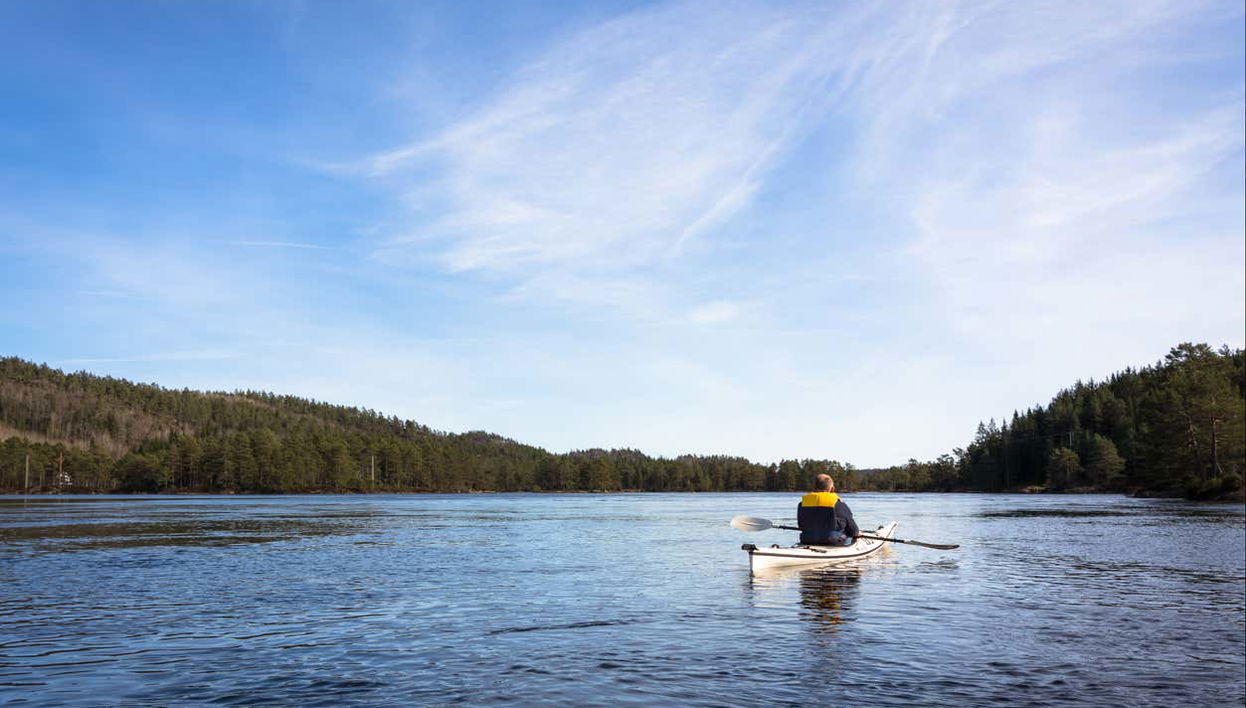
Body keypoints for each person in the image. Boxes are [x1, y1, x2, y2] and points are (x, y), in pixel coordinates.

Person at [797, 473, 859, 546]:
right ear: (832, 489)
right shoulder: (838, 504)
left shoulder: (802, 503)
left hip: (807, 540)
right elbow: (853, 530)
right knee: (849, 537)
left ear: (814, 487)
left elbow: (801, 525)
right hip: (832, 541)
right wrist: (856, 534)